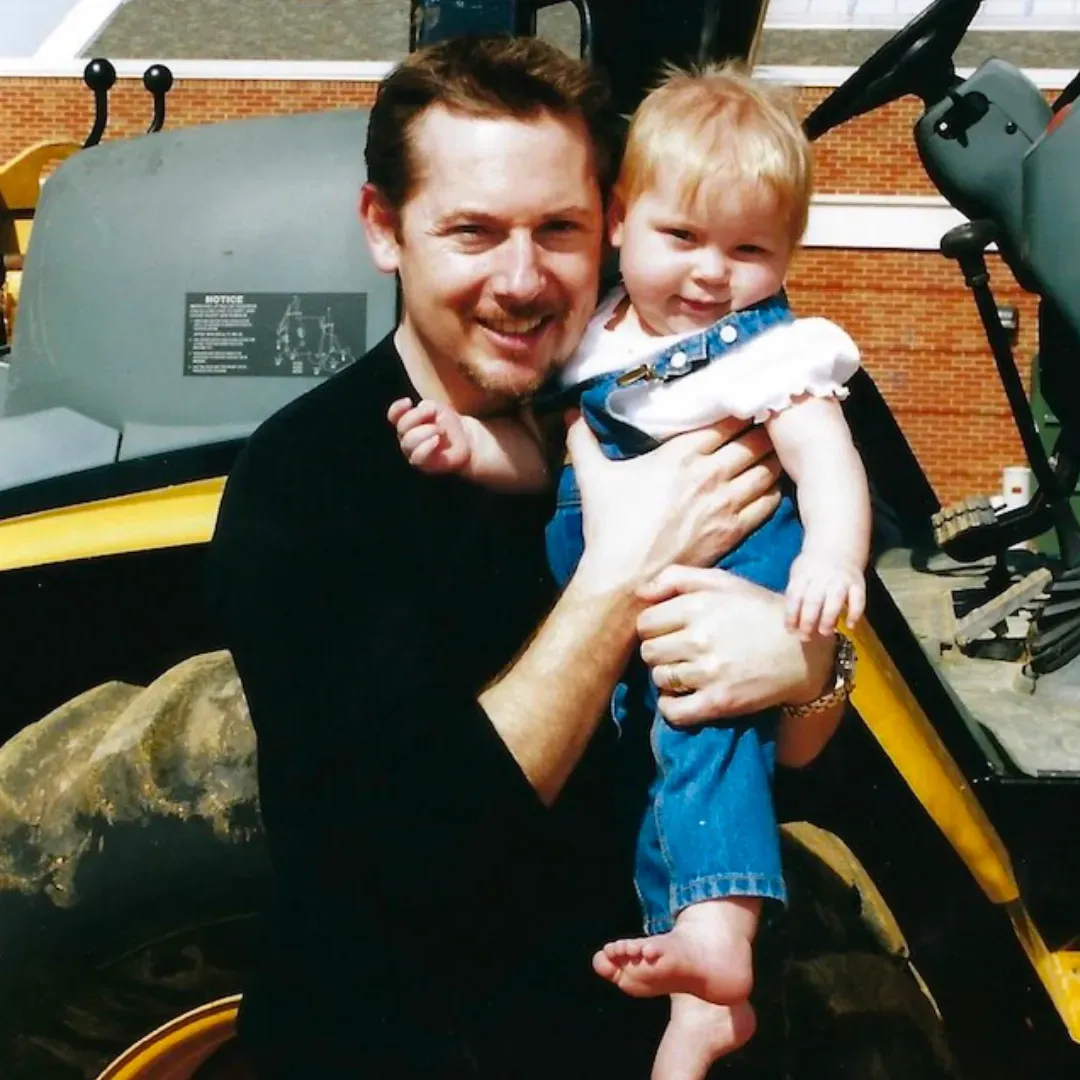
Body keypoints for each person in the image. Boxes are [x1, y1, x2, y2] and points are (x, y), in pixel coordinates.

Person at [207, 36, 848, 1080]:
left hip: (630, 1032)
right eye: (473, 231)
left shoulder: (677, 422)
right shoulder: (309, 484)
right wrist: (622, 574)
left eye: (558, 229)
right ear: (385, 228)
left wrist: (807, 664)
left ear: (611, 226)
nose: (521, 280)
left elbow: (817, 773)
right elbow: (411, 850)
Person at [389, 62, 870, 1080]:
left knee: (700, 733)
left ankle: (718, 954)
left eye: (749, 250)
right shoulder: (606, 334)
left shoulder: (763, 354)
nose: (711, 275)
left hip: (724, 586)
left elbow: (827, 460)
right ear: (623, 221)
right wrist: (467, 448)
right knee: (664, 763)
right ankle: (702, 981)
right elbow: (557, 460)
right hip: (639, 612)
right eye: (682, 237)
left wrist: (831, 565)